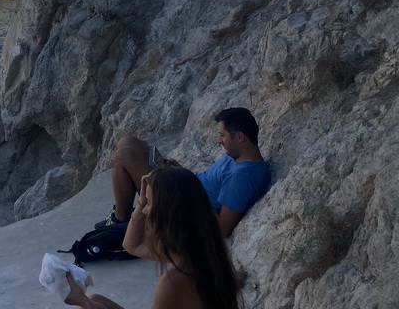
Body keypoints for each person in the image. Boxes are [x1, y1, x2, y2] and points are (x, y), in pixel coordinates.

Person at [63, 167, 240, 309]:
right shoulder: (200, 250)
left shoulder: (174, 281)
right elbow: (131, 245)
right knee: (95, 298)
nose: (145, 211)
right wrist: (141, 202)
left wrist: (82, 301)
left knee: (86, 305)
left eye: (149, 204)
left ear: (166, 214)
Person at [98, 107, 271, 238]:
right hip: (184, 189)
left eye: (222, 135)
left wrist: (185, 191)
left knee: (123, 156)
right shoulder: (238, 156)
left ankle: (120, 220)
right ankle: (124, 214)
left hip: (180, 207)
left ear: (240, 137)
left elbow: (223, 229)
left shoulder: (241, 178)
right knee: (127, 141)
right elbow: (209, 184)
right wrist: (181, 173)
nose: (219, 140)